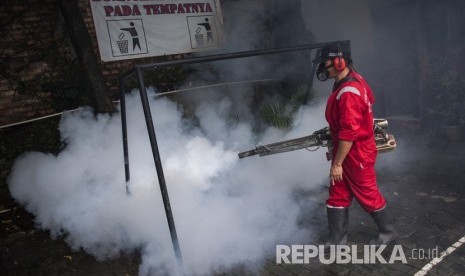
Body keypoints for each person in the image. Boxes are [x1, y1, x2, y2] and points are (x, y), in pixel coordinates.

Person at [315, 43, 396, 246]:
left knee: (366, 192)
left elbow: (349, 133)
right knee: (338, 191)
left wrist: (337, 164)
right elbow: (369, 101)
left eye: (325, 63)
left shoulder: (349, 92)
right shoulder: (351, 80)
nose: (323, 68)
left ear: (339, 62)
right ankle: (337, 239)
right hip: (347, 149)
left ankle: (388, 232)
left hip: (355, 151)